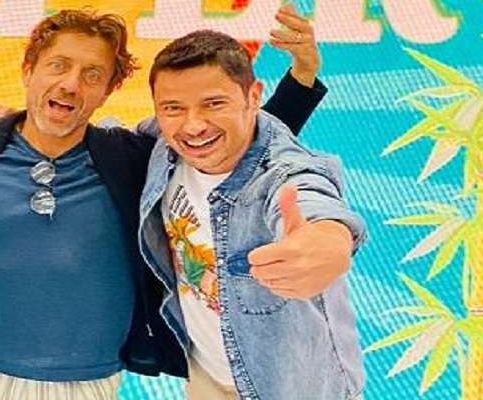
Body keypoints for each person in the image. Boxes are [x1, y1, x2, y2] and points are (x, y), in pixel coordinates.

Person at [0, 6, 330, 398]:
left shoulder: (131, 160)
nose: (71, 84)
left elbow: (234, 143)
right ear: (28, 70)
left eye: (92, 74)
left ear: (109, 91)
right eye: (58, 65)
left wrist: (302, 77)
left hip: (92, 382)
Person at [139, 29, 364, 399]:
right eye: (173, 108)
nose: (193, 125)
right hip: (206, 375)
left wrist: (328, 242)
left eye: (214, 103)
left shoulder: (283, 172)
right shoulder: (164, 146)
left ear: (253, 97)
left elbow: (315, 203)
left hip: (292, 387)